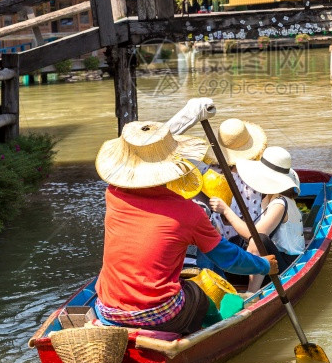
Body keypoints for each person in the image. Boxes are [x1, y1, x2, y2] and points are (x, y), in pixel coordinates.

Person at [93, 120, 278, 335]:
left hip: (106, 308)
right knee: (199, 294)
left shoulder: (113, 195)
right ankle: (215, 328)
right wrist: (263, 266)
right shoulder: (189, 212)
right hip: (158, 315)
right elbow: (229, 259)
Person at [210, 147, 304, 293]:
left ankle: (251, 293)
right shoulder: (268, 198)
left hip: (288, 265)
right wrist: (232, 220)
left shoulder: (280, 203)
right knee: (231, 244)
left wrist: (227, 211)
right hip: (272, 261)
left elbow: (255, 236)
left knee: (259, 240)